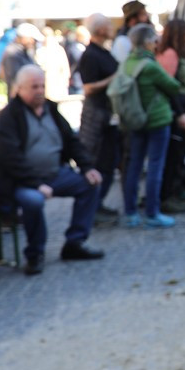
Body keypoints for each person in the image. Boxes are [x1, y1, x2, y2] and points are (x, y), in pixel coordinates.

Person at [0, 65, 104, 275]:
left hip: (55, 174)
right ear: (19, 89)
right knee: (34, 200)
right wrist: (36, 184)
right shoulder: (8, 117)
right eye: (34, 87)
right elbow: (10, 158)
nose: (39, 91)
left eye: (42, 86)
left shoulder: (51, 109)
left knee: (90, 184)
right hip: (21, 180)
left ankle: (74, 243)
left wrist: (87, 167)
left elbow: (72, 141)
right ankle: (35, 253)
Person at [119, 24, 185, 229]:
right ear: (148, 42)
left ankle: (131, 212)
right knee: (155, 166)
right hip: (156, 119)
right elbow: (173, 86)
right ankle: (152, 212)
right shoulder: (149, 65)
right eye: (154, 40)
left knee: (134, 166)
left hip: (134, 119)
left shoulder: (127, 64)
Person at [76, 13, 121, 225]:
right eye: (108, 24)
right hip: (96, 114)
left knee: (109, 160)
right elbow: (88, 88)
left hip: (108, 114)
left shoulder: (103, 51)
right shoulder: (90, 55)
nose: (112, 27)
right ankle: (92, 208)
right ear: (99, 29)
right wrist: (113, 79)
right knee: (97, 159)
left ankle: (98, 204)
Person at [156, 19, 185, 213]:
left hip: (184, 107)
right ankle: (167, 196)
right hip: (176, 109)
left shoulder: (179, 53)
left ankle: (175, 191)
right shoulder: (170, 54)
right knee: (173, 155)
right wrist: (180, 112)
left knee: (179, 154)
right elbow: (168, 85)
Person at [0, 22, 43, 96]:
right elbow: (15, 78)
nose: (33, 42)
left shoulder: (22, 51)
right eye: (32, 39)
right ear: (23, 37)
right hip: (21, 96)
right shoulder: (13, 53)